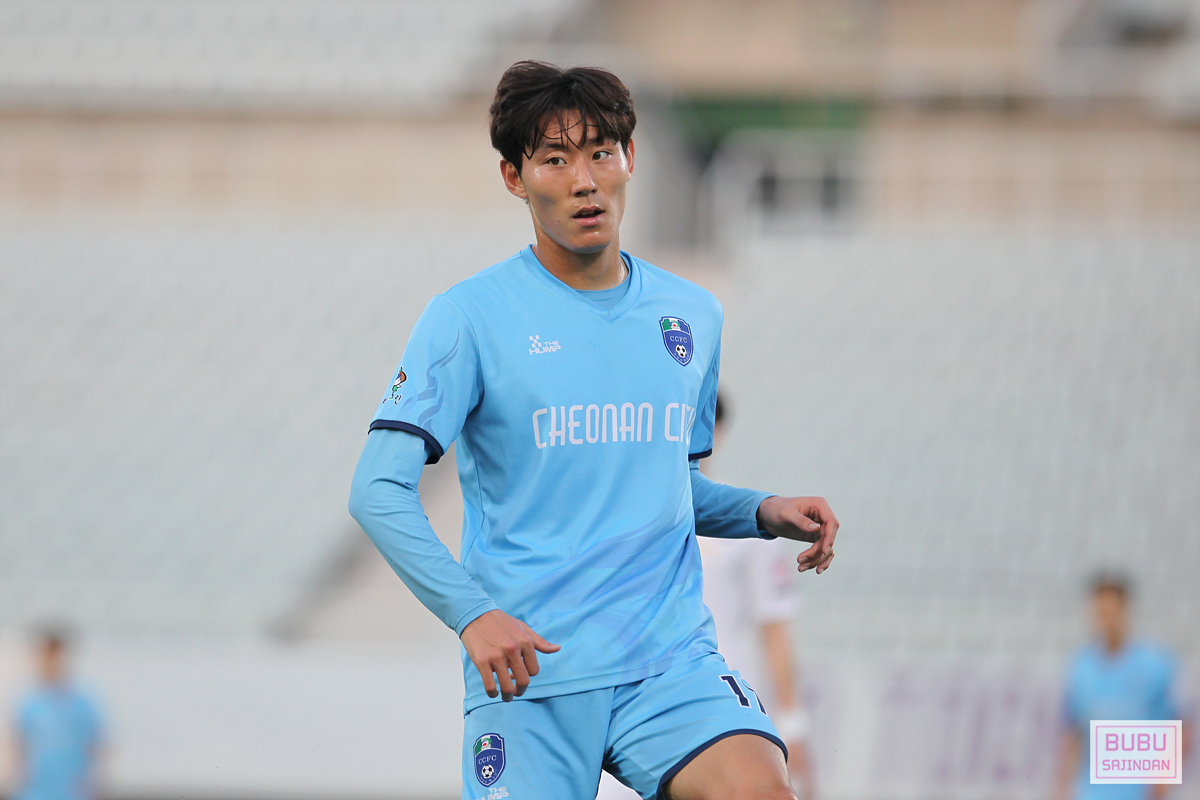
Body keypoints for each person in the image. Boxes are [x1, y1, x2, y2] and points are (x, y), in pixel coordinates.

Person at [348, 61, 839, 800]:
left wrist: (762, 511)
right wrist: (473, 616)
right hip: (531, 671)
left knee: (759, 791)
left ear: (630, 158)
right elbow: (377, 491)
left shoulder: (691, 315)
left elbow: (668, 483)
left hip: (666, 662)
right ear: (514, 177)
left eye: (601, 154)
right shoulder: (468, 318)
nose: (584, 181)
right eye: (554, 160)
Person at [596, 394, 818, 800]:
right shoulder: (623, 517)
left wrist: (793, 722)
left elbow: (774, 629)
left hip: (719, 709)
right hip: (639, 705)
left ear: (715, 431)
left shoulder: (755, 520)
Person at [1055, 574, 1186, 800]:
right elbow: (1073, 731)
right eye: (1100, 612)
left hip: (1139, 789)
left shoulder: (1155, 663)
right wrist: (1062, 788)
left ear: (1125, 610)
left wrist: (1163, 778)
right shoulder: (1081, 667)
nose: (1106, 620)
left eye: (1111, 612)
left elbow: (1180, 725)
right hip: (1092, 790)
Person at [10, 628, 105, 800]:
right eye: (47, 656)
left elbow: (96, 745)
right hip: (36, 792)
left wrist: (93, 784)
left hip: (72, 792)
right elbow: (19, 747)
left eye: (56, 656)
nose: (52, 662)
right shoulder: (30, 703)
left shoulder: (82, 704)